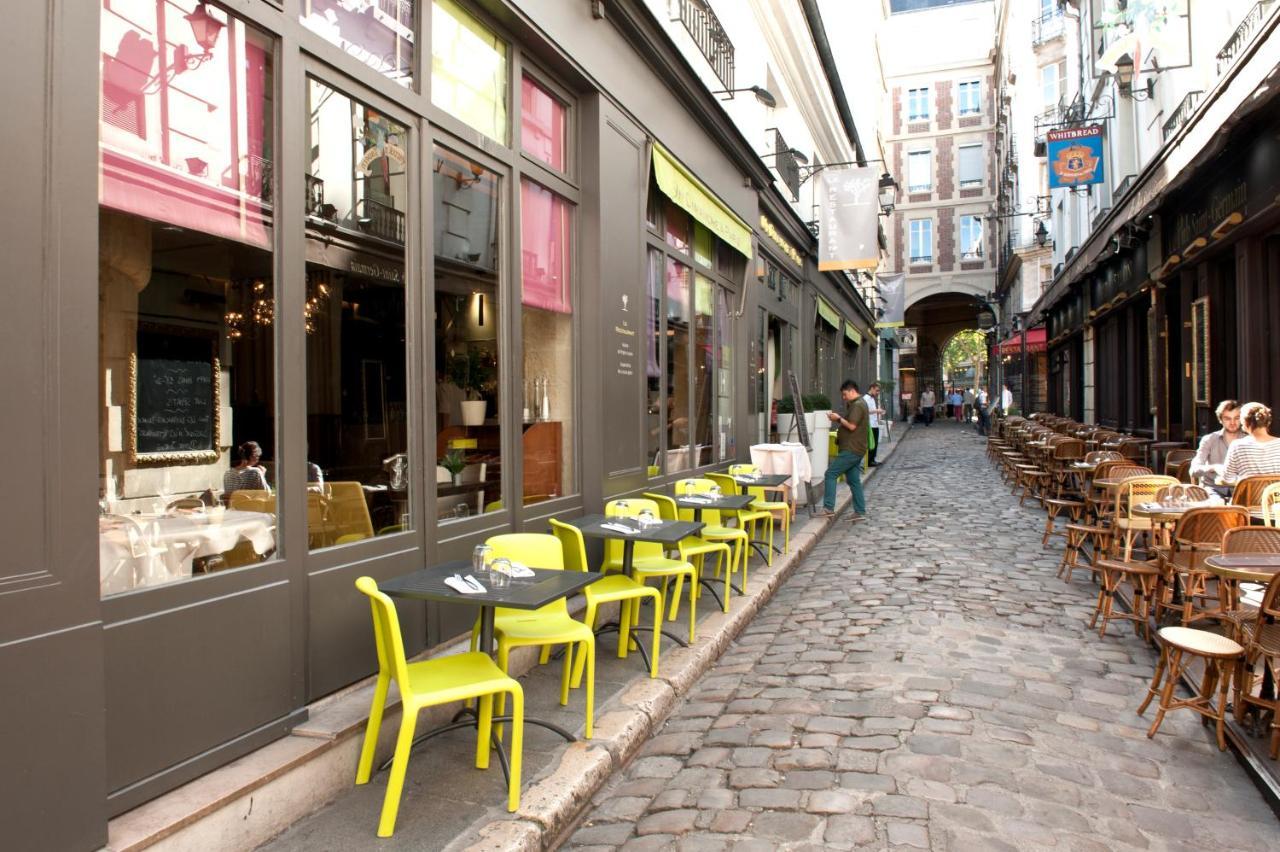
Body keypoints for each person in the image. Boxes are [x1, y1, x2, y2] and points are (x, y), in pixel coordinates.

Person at [819, 380, 869, 522]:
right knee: (853, 481)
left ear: (852, 391)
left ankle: (828, 508)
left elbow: (852, 426)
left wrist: (838, 418)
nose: (844, 397)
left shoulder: (858, 405)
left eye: (845, 394)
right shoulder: (858, 404)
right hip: (856, 448)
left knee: (830, 474)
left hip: (851, 449)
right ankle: (860, 511)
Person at [1221, 402, 1280, 484]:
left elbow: (1227, 478)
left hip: (1250, 496)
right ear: (1268, 422)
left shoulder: (1237, 446)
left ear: (1245, 423)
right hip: (1276, 496)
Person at [1189, 399, 1245, 484]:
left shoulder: (1248, 440)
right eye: (1227, 419)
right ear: (1220, 420)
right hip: (1213, 488)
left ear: (1242, 419)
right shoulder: (1209, 439)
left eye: (1236, 418)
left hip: (1239, 488)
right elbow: (1193, 469)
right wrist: (1213, 468)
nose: (1232, 422)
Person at [865, 382, 885, 466]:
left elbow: (872, 410)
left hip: (875, 423)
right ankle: (870, 461)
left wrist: (879, 412)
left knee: (875, 443)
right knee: (872, 443)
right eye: (877, 390)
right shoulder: (865, 398)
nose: (877, 393)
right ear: (872, 388)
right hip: (870, 424)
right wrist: (877, 410)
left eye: (878, 391)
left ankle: (873, 459)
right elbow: (866, 411)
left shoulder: (872, 398)